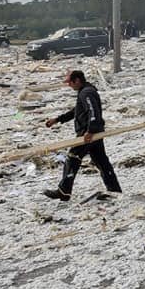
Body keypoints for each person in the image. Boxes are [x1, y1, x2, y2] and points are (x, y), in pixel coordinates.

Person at [42, 69, 121, 201]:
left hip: (88, 134)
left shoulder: (86, 93)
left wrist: (90, 130)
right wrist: (58, 119)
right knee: (102, 162)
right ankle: (114, 191)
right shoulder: (85, 91)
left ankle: (64, 191)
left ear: (77, 80)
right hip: (94, 133)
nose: (69, 85)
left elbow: (93, 111)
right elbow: (77, 111)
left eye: (70, 82)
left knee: (72, 158)